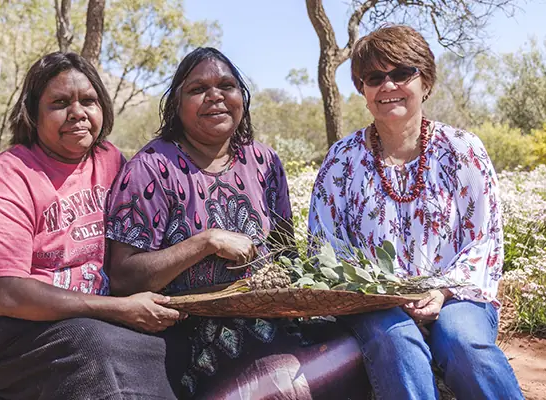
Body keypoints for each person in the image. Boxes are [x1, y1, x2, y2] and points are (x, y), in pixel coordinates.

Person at [105, 47, 369, 400]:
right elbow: (123, 278)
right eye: (198, 89)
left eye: (226, 85)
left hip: (272, 318)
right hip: (188, 334)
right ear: (176, 104)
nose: (214, 96)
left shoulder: (263, 161)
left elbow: (284, 253)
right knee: (280, 383)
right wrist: (205, 242)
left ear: (241, 97)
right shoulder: (151, 168)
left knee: (354, 352)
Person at [0, 52, 186, 400]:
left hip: (84, 317)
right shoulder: (6, 179)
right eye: (60, 103)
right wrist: (119, 309)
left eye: (89, 100)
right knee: (92, 346)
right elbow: (8, 295)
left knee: (162, 344)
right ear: (33, 115)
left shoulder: (111, 161)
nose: (78, 113)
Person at [308, 25, 524, 400]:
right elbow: (324, 245)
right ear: (363, 90)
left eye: (402, 73)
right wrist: (380, 293)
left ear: (425, 81)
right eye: (374, 77)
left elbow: (483, 240)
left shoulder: (462, 150)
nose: (388, 86)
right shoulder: (342, 161)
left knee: (464, 344)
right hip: (370, 303)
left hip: (456, 295)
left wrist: (440, 291)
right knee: (398, 341)